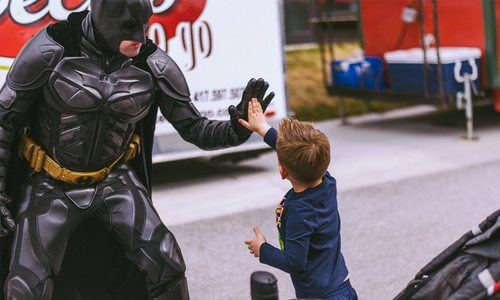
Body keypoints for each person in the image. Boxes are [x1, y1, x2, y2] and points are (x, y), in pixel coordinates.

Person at [0, 0, 274, 299]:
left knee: (167, 262)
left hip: (114, 182)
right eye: (130, 27)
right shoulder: (51, 49)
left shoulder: (153, 64)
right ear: (99, 14)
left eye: (145, 25)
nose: (141, 36)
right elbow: (4, 120)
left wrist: (236, 129)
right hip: (49, 184)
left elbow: (194, 128)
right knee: (25, 286)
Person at [242, 99, 357, 300]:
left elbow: (294, 262)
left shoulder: (300, 210)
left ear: (283, 171)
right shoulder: (326, 182)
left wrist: (263, 249)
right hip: (341, 287)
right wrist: (263, 129)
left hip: (318, 296)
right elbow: (296, 154)